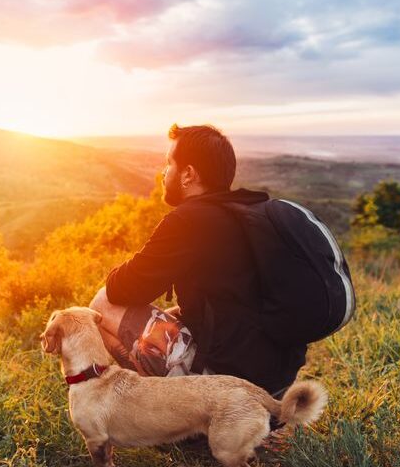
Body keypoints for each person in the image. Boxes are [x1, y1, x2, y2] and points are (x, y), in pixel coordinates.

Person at [89, 124, 308, 397]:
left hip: (228, 394)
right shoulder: (246, 212)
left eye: (169, 163)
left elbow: (120, 289)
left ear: (188, 174)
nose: (163, 172)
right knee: (171, 315)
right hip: (274, 389)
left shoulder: (189, 220)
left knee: (102, 305)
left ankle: (172, 419)